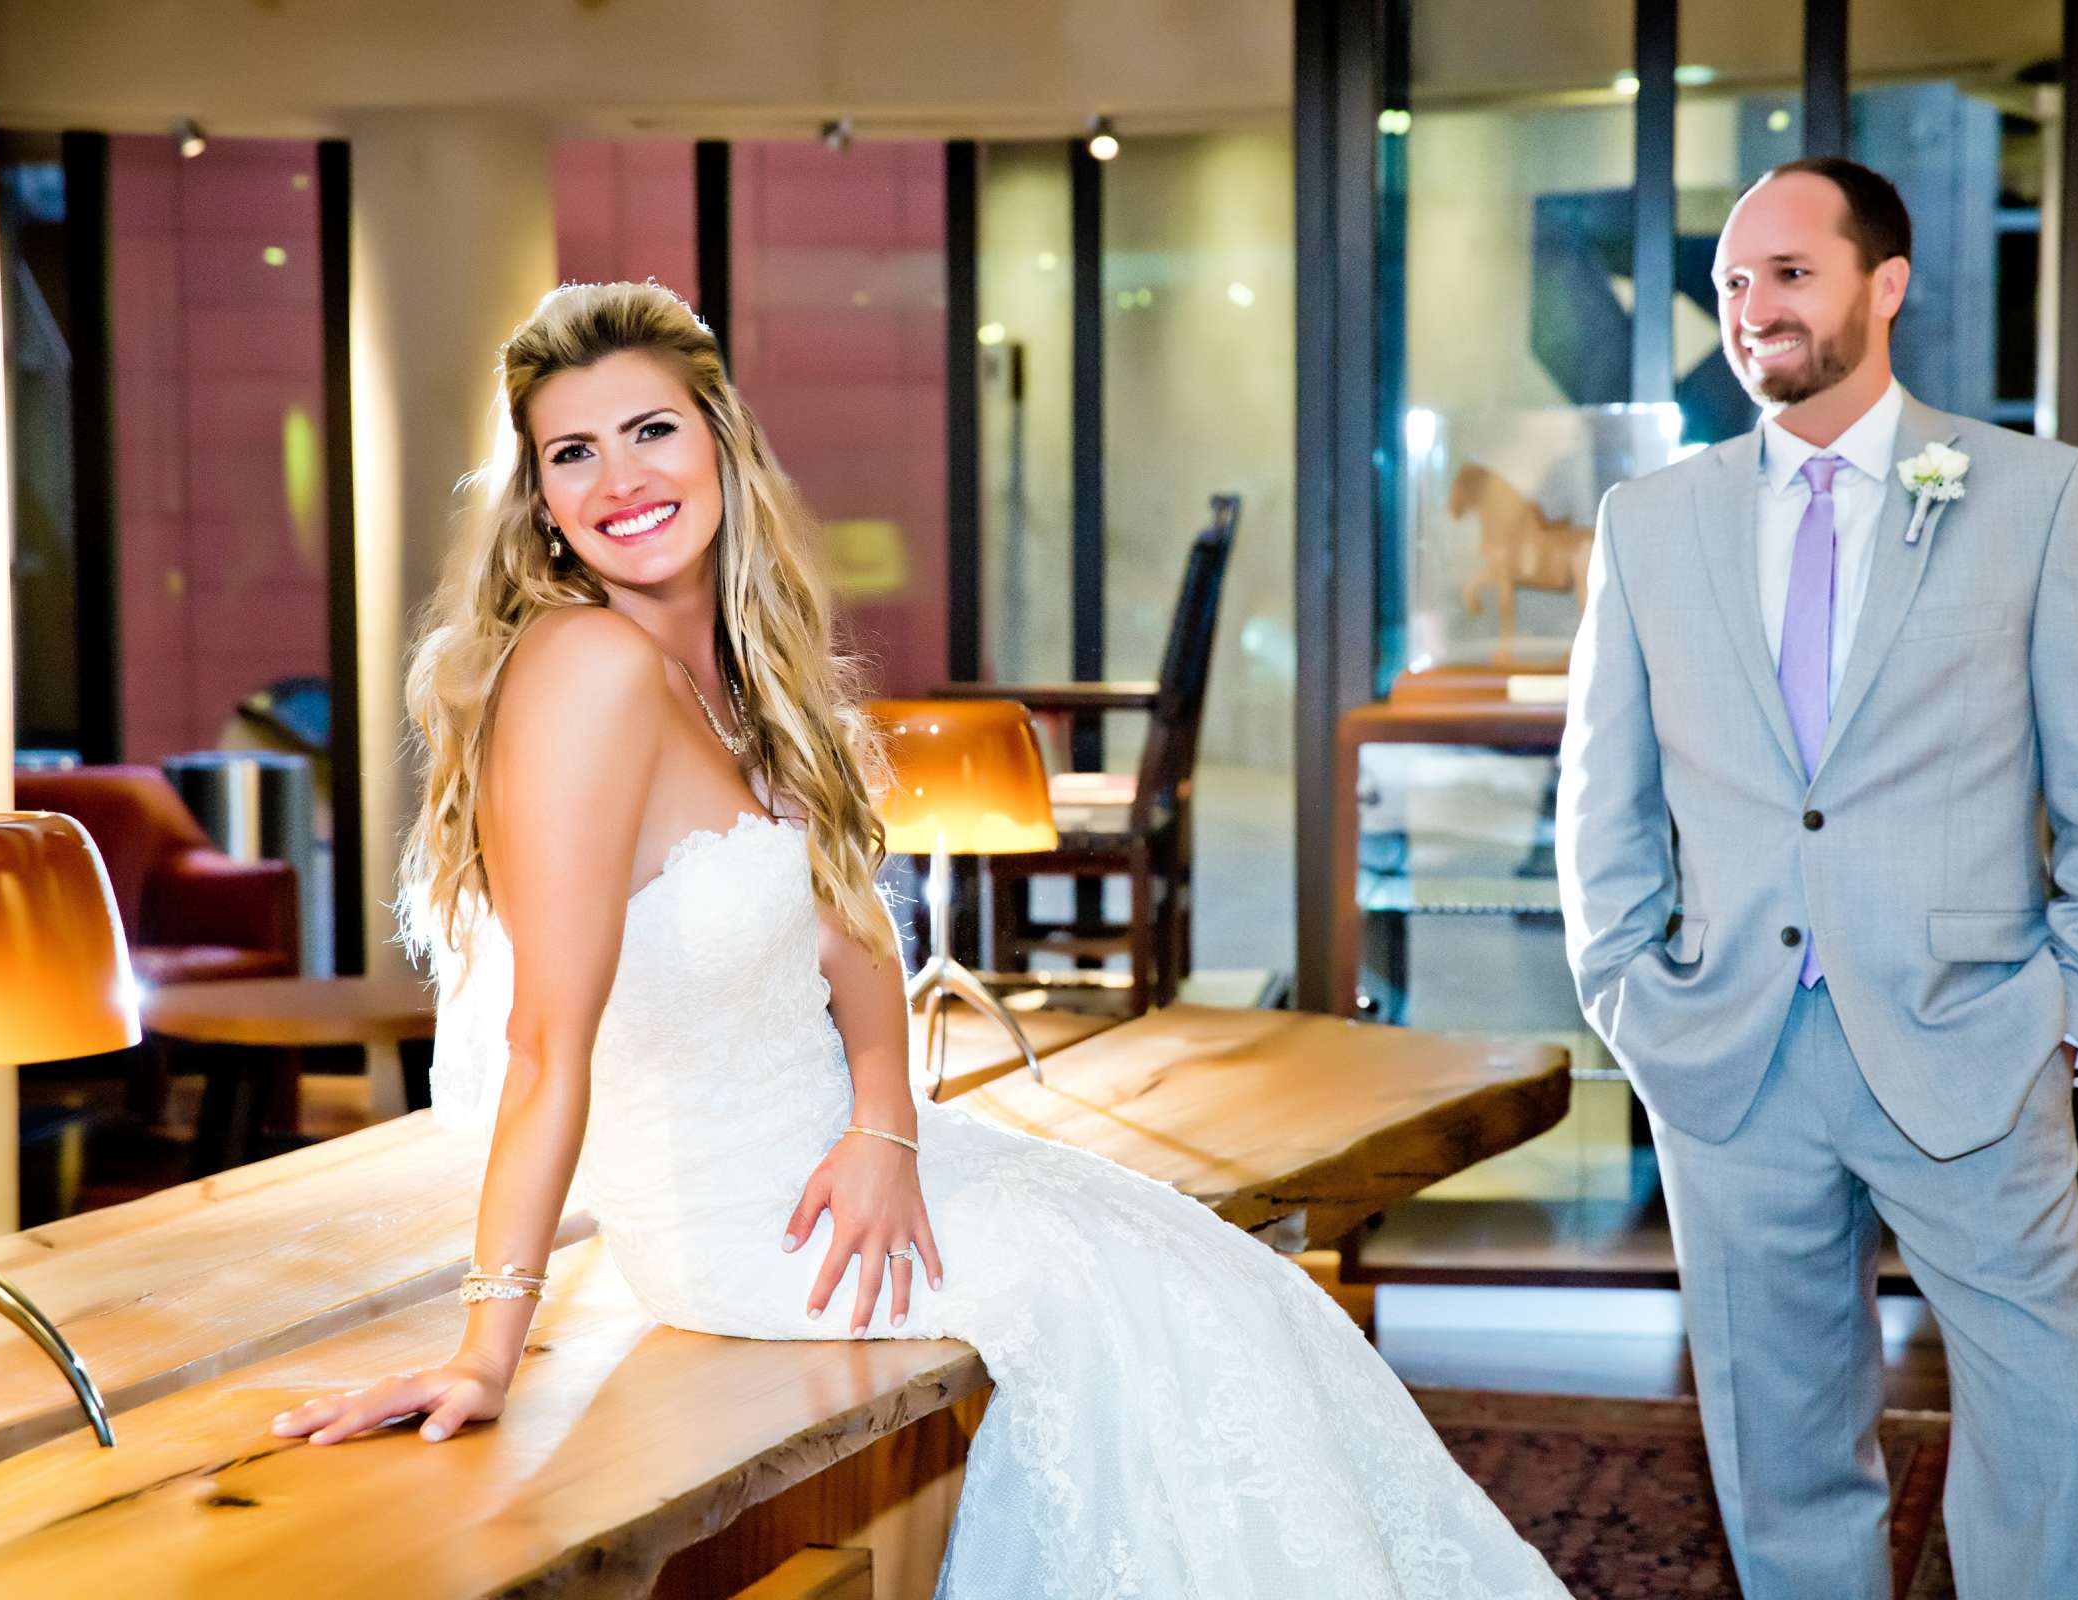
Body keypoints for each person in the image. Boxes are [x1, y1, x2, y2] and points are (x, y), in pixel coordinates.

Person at [265, 280, 1567, 1600]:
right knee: (1157, 1310)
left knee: (1230, 1278)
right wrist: (489, 1348)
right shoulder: (584, 672)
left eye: (650, 431)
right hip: (746, 1224)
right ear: (541, 499)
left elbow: (857, 948)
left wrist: (883, 1124)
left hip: (859, 1166)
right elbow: (545, 1047)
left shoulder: (736, 674)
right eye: (573, 453)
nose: (619, 480)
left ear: (719, 441)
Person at [1555, 157, 2078, 1600]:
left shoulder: (2036, 496)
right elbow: (1602, 797)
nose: (1753, 307)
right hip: (1729, 1057)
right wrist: (1627, 996)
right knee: (1777, 1440)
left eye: (1789, 273)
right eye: (1731, 282)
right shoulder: (1649, 523)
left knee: (2034, 1407)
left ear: (1884, 285)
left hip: (1976, 1037)